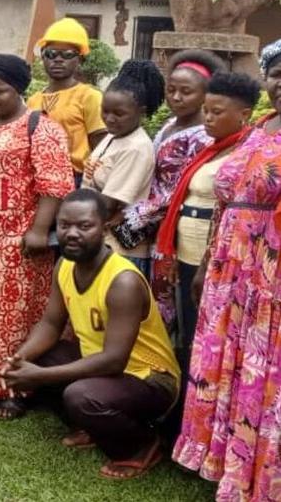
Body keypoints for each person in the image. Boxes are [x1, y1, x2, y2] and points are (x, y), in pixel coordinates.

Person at [1, 189, 180, 481]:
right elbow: (50, 324)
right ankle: (92, 428)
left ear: (104, 227)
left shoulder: (122, 281)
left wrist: (39, 377)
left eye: (84, 226)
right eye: (64, 225)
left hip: (150, 379)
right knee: (42, 356)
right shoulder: (65, 265)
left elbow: (114, 360)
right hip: (104, 367)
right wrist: (19, 359)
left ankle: (142, 447)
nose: (72, 233)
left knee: (81, 396)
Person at [172, 40, 281, 501]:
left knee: (260, 365)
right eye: (276, 73)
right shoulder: (257, 128)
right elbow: (227, 201)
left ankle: (259, 473)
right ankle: (222, 458)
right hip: (226, 266)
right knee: (225, 359)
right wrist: (206, 264)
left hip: (269, 272)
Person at [0, 54, 74, 417]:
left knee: (15, 315)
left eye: (0, 91)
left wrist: (39, 230)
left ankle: (17, 388)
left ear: (19, 89)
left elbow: (55, 184)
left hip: (19, 239)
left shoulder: (42, 128)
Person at [152, 72, 258, 359]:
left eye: (217, 112)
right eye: (206, 110)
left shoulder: (246, 152)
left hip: (212, 254)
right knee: (187, 324)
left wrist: (206, 261)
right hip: (187, 250)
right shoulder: (211, 149)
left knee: (206, 326)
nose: (207, 118)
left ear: (244, 114)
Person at [119, 50, 222, 332]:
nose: (176, 97)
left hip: (174, 229)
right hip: (153, 225)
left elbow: (178, 189)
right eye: (171, 90)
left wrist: (130, 220)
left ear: (206, 94)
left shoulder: (203, 136)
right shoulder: (169, 125)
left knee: (172, 304)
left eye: (186, 92)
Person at [81, 60, 164, 275]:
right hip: (99, 243)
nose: (109, 119)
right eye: (105, 111)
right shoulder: (114, 136)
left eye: (119, 114)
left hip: (118, 251)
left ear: (141, 112)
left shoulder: (136, 147)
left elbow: (109, 204)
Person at [27, 18, 107, 183]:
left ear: (80, 60)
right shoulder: (33, 100)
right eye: (51, 53)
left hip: (75, 178)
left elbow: (101, 147)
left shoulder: (89, 96)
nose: (58, 59)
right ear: (43, 57)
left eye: (67, 54)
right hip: (37, 177)